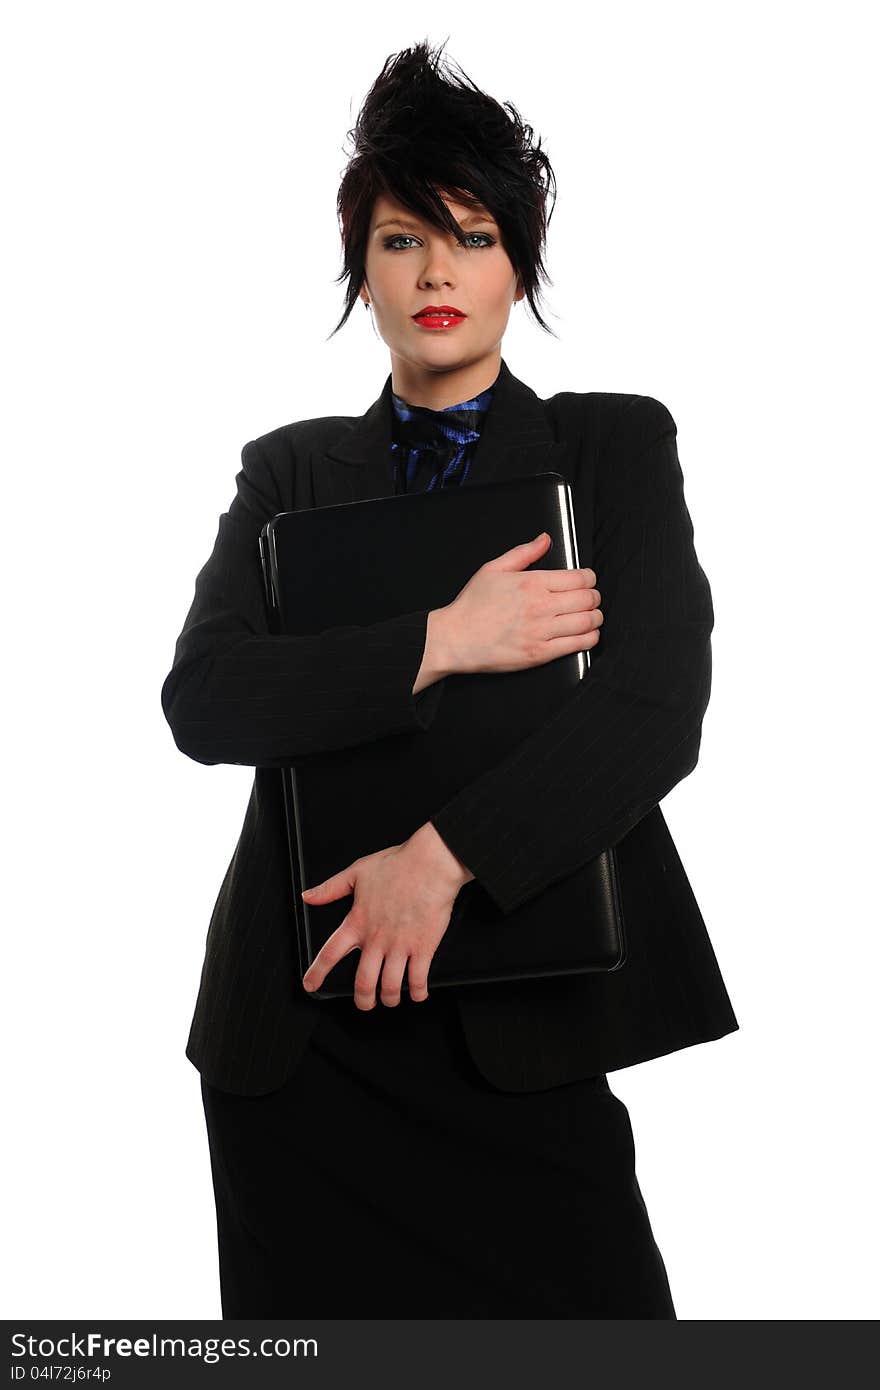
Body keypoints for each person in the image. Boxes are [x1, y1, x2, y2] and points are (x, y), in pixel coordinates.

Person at [160, 39, 739, 1319]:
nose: (436, 273)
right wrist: (443, 638)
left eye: (470, 237)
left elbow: (653, 711)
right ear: (358, 270)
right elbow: (206, 700)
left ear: (518, 263)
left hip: (520, 1028)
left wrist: (443, 858)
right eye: (400, 240)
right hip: (302, 1046)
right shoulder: (290, 473)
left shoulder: (609, 444)